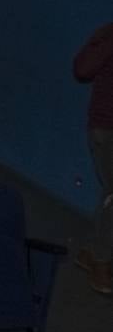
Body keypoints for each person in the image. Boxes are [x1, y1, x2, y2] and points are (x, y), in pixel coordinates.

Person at [74, 21, 113, 293]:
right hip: (107, 129)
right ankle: (100, 261)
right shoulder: (109, 32)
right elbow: (82, 69)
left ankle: (91, 253)